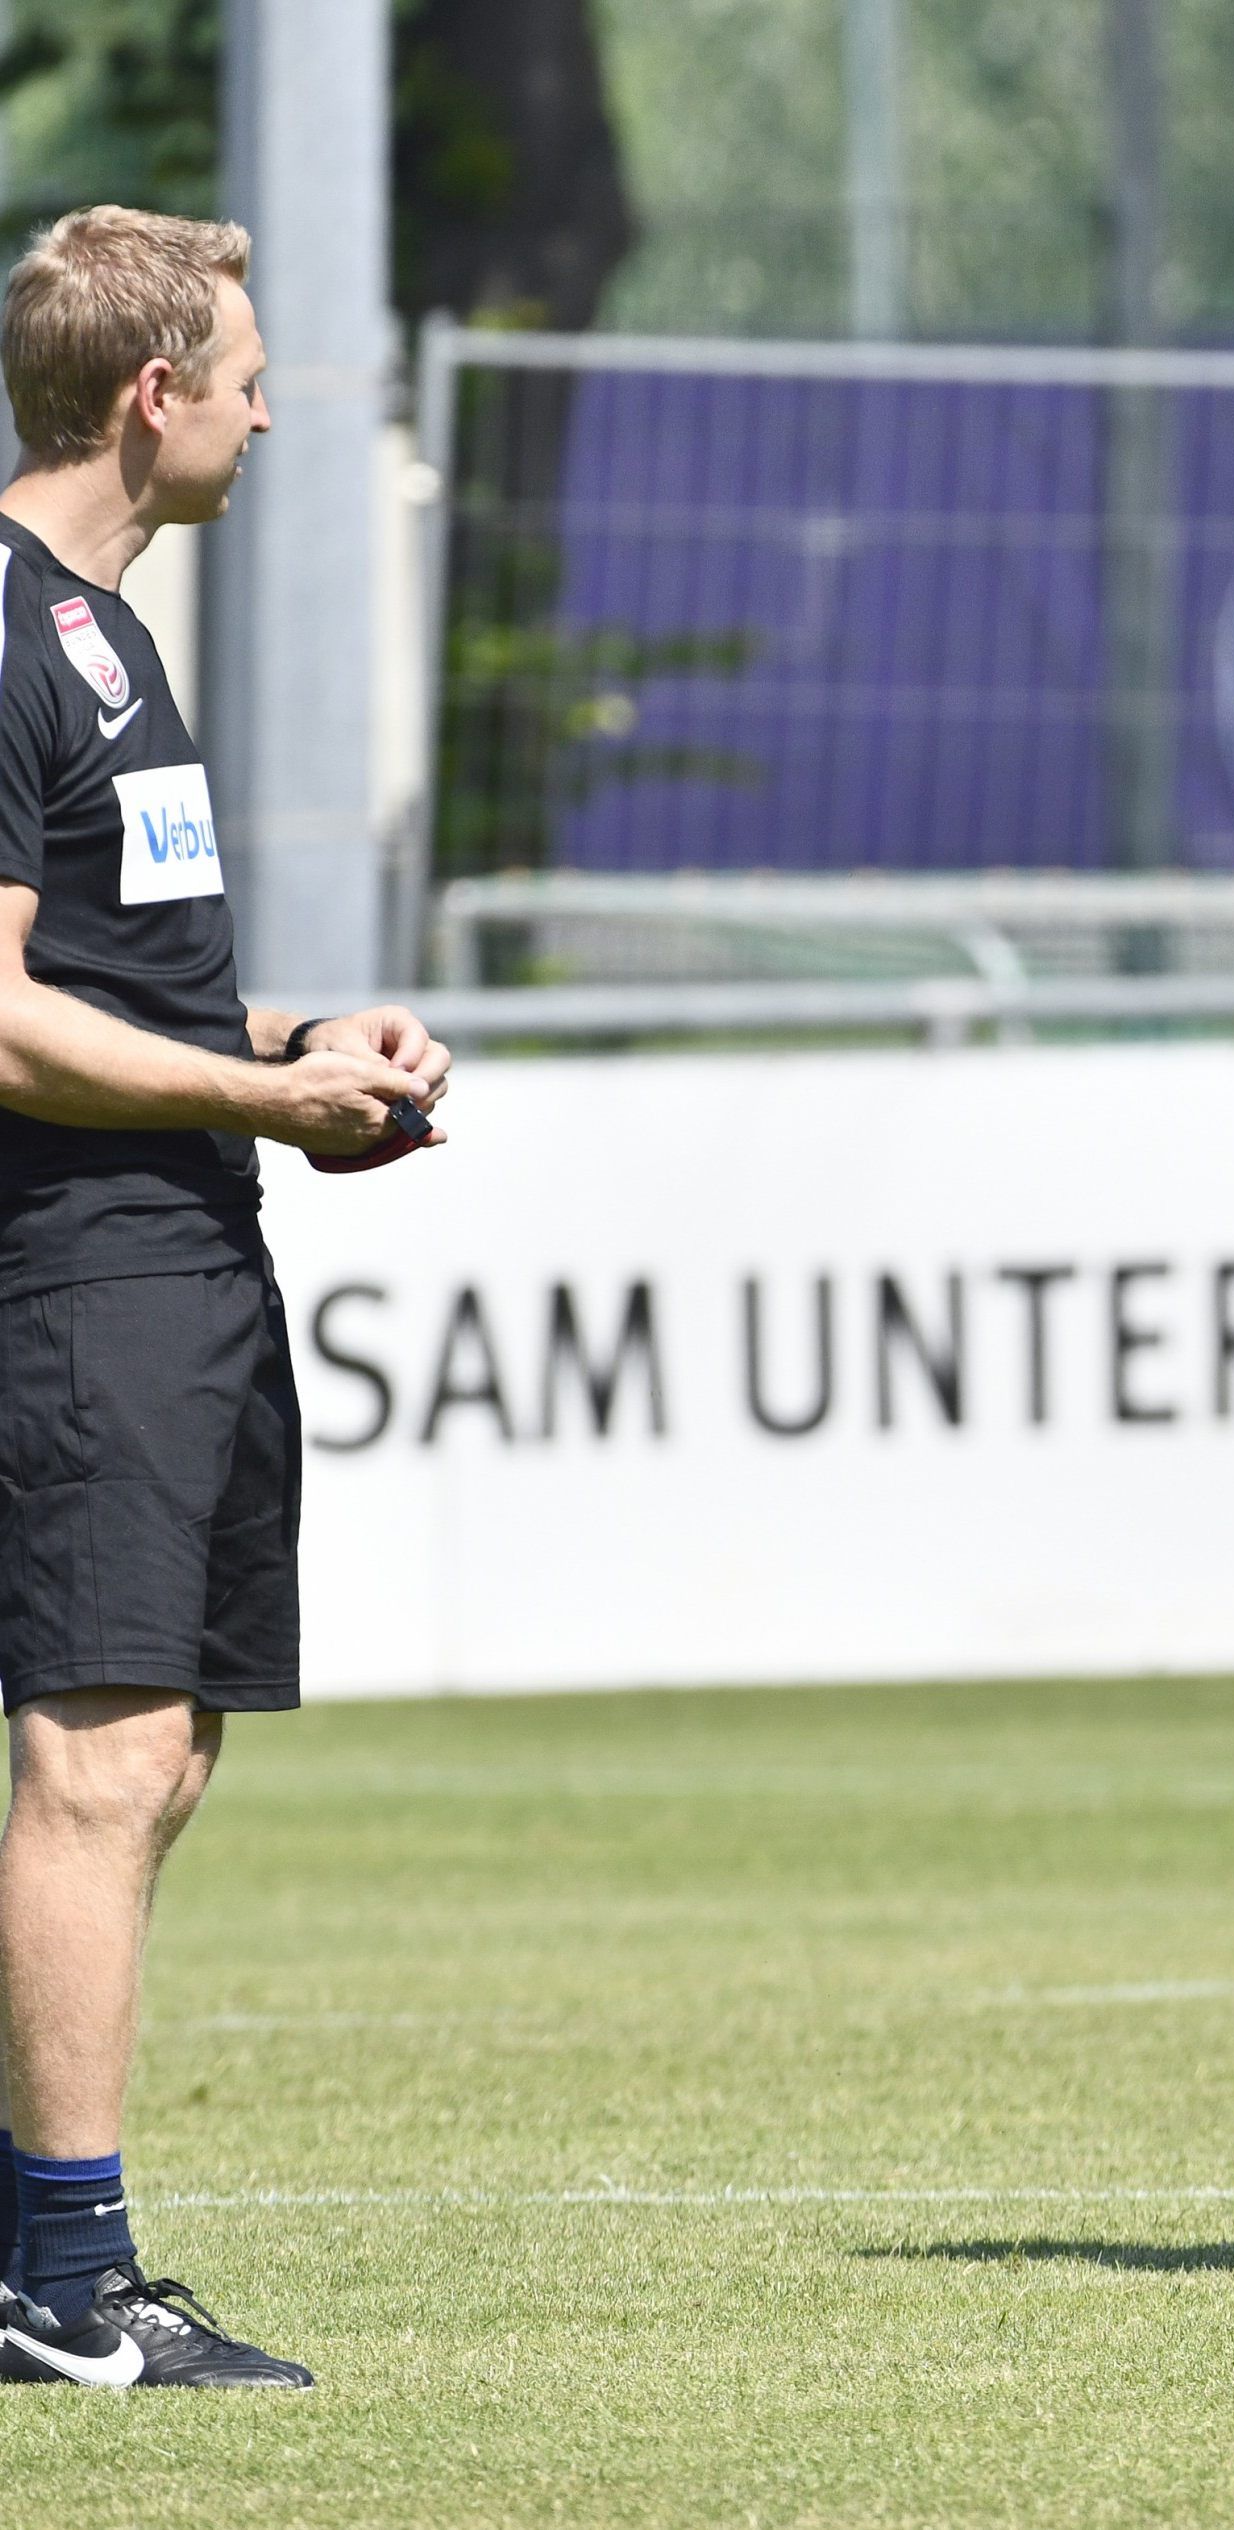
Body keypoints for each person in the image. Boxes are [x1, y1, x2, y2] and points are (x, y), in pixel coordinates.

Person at [0, 208, 452, 2390]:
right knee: (94, 1758)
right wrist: (262, 1101)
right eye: (248, 370)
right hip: (77, 1268)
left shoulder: (104, 628)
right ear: (149, 394)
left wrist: (301, 1052)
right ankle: (68, 2286)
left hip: (186, 1249)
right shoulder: (0, 625)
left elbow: (122, 981)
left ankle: (40, 2247)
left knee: (157, 1762)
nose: (275, 406)